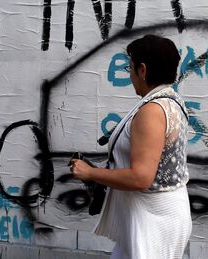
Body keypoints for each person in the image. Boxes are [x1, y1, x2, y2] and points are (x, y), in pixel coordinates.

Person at [70, 34, 192, 259]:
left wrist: (90, 173)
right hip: (159, 213)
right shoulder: (171, 100)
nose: (129, 74)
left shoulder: (152, 111)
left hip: (153, 219)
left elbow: (141, 177)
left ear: (142, 70)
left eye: (130, 67)